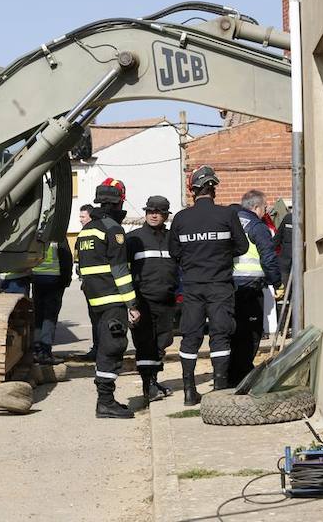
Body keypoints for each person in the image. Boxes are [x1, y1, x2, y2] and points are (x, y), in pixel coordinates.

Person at [168, 166, 248, 405]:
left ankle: (189, 392)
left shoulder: (181, 218)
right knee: (220, 335)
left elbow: (174, 252)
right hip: (220, 285)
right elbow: (242, 247)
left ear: (193, 191)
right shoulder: (227, 215)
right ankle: (220, 391)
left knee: (190, 336)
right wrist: (222, 256)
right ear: (214, 189)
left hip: (192, 286)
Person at [76, 179, 139, 419]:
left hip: (95, 300)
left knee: (105, 346)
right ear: (120, 200)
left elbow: (82, 269)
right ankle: (105, 402)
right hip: (113, 300)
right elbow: (120, 271)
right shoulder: (113, 229)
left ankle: (106, 400)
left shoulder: (87, 229)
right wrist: (132, 304)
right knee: (113, 347)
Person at [227, 190, 282, 386]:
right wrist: (277, 282)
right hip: (250, 287)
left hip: (228, 287)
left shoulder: (229, 222)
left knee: (234, 332)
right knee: (251, 333)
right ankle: (242, 375)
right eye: (264, 208)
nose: (265, 211)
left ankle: (231, 372)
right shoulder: (257, 226)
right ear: (256, 207)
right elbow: (268, 257)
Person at [126, 196, 178, 403]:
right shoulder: (134, 239)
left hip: (167, 299)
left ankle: (154, 380)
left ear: (165, 215)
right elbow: (122, 271)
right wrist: (130, 304)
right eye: (150, 211)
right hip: (143, 301)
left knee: (163, 342)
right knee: (145, 343)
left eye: (158, 212)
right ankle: (148, 386)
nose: (153, 215)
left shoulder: (171, 238)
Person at [30, 236, 73, 364]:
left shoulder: (36, 235)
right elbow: (66, 259)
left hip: (37, 279)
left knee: (38, 316)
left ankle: (36, 350)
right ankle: (45, 352)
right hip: (54, 280)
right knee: (49, 317)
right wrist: (66, 280)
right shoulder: (57, 236)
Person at [76, 203, 97, 360]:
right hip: (89, 284)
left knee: (98, 318)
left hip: (99, 285)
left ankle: (99, 348)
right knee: (94, 317)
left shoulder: (94, 232)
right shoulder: (83, 233)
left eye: (83, 217)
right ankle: (97, 347)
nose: (80, 220)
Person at [273, 210, 293, 290]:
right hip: (285, 264)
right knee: (283, 290)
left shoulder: (307, 219)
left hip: (300, 264)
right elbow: (277, 238)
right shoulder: (288, 218)